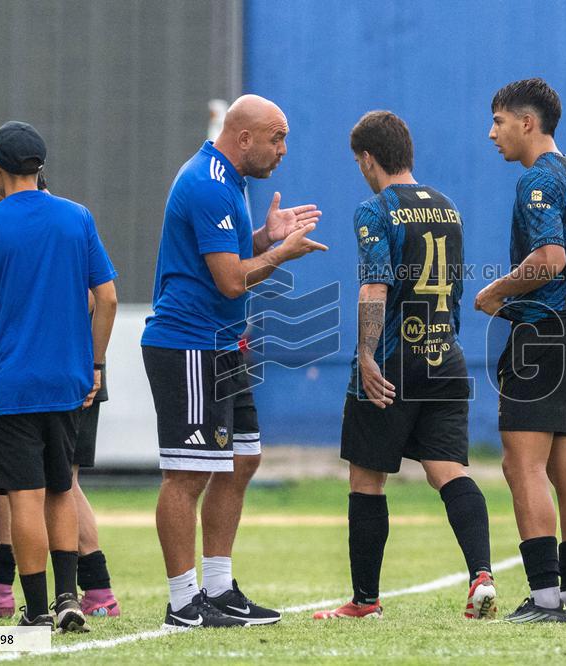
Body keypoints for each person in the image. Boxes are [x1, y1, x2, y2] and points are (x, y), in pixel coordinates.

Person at [142, 95, 325, 630]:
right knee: (188, 473)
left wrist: (264, 237)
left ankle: (219, 589)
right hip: (188, 343)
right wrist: (279, 253)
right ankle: (183, 602)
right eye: (277, 138)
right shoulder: (207, 183)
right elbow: (230, 279)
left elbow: (226, 255)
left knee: (243, 459)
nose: (283, 150)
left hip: (221, 343)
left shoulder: (230, 180)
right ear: (244, 137)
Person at [313, 111, 496, 621]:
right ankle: (481, 573)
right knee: (450, 472)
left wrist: (367, 356)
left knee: (367, 481)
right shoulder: (448, 208)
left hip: (393, 361)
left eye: (358, 162)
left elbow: (376, 285)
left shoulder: (376, 211)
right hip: (445, 357)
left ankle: (365, 601)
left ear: (369, 159)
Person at [0, 141, 121, 619]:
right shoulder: (77, 217)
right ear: (41, 166)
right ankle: (68, 599)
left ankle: (36, 609)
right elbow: (108, 298)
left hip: (12, 384)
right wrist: (95, 364)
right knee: (62, 489)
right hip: (68, 382)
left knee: (24, 496)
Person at [475, 78, 566, 623]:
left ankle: (543, 597)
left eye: (499, 121)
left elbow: (550, 257)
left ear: (527, 123)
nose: (492, 134)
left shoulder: (537, 181)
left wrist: (496, 292)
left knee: (522, 465)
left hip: (544, 335)